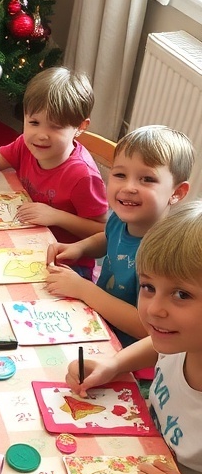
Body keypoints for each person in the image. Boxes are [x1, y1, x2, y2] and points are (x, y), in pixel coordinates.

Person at [64, 199, 202, 474]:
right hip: (146, 457)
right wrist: (112, 366)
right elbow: (158, 347)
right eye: (148, 287)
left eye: (182, 295)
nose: (154, 310)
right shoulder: (181, 340)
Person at [46, 125, 194, 347]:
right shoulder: (120, 218)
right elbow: (108, 239)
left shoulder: (166, 254)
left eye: (147, 179)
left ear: (176, 193)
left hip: (130, 350)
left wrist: (84, 289)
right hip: (98, 320)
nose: (129, 187)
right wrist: (80, 248)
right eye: (120, 175)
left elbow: (146, 326)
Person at [0, 67, 108, 278]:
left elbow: (103, 233)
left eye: (56, 127)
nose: (41, 135)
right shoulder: (25, 146)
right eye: (34, 122)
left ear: (80, 127)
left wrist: (56, 217)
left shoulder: (83, 176)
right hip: (23, 238)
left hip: (67, 262)